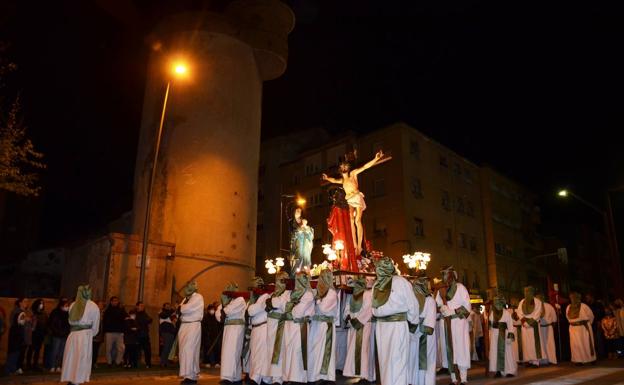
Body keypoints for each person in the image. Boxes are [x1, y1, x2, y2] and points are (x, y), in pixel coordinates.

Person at [322, 150, 385, 254]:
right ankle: (355, 245)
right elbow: (333, 180)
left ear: (348, 167)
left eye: (345, 166)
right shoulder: (342, 180)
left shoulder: (353, 174)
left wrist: (376, 158)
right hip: (350, 200)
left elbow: (365, 167)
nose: (343, 167)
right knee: (351, 220)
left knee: (357, 221)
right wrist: (327, 178)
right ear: (340, 170)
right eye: (342, 167)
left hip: (357, 197)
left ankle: (359, 245)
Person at [372, 257, 419, 385]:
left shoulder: (377, 284)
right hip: (398, 327)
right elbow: (413, 305)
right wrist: (413, 322)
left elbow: (374, 310)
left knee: (385, 361)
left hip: (382, 329)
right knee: (399, 360)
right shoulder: (402, 281)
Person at [435, 265, 471, 385]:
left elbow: (467, 308)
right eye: (444, 275)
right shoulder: (441, 290)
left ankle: (464, 379)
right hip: (446, 324)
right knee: (449, 351)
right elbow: (437, 305)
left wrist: (454, 311)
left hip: (459, 324)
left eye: (447, 274)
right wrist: (442, 308)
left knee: (460, 349)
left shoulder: (461, 288)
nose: (445, 277)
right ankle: (454, 379)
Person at [61, 285, 100, 385]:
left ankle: (71, 378)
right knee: (81, 359)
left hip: (72, 335)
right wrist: (92, 333)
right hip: (84, 336)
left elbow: (70, 321)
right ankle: (77, 381)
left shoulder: (73, 305)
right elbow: (96, 325)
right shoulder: (93, 306)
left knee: (71, 358)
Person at [282, 272, 315, 384]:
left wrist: (290, 306)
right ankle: (289, 377)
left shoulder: (308, 294)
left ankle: (298, 379)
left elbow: (297, 312)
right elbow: (283, 307)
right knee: (289, 351)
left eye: (300, 279)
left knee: (298, 352)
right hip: (289, 326)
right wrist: (290, 306)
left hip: (300, 327)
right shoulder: (292, 293)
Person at [308, 269, 338, 384]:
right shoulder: (320, 292)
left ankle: (325, 377)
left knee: (324, 351)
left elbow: (323, 309)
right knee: (315, 350)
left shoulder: (331, 293)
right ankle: (314, 375)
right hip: (316, 325)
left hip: (326, 326)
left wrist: (317, 300)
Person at [343, 276, 375, 383]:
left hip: (363, 326)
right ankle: (358, 375)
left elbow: (368, 310)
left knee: (363, 351)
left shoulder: (368, 294)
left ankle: (364, 376)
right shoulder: (352, 296)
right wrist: (347, 317)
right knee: (355, 351)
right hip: (353, 326)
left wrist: (357, 321)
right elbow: (347, 308)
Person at [215, 283, 246, 383]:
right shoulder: (229, 300)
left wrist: (224, 306)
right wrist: (223, 307)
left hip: (236, 328)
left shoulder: (240, 299)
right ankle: (236, 377)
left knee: (232, 352)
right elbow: (218, 314)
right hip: (228, 328)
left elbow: (227, 311)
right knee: (227, 352)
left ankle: (228, 378)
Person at [263, 271, 290, 384]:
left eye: (282, 280)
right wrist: (270, 303)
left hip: (280, 325)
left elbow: (280, 304)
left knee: (278, 352)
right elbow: (267, 304)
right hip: (270, 324)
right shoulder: (273, 294)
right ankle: (269, 377)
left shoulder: (287, 293)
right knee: (269, 351)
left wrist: (271, 303)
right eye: (278, 280)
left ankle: (278, 378)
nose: (279, 283)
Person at [410, 275, 436, 385]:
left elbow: (429, 326)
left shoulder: (430, 300)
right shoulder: (414, 301)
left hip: (426, 338)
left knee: (427, 364)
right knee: (414, 363)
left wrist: (417, 324)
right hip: (415, 337)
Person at [178, 281, 204, 384]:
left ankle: (190, 376)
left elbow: (186, 309)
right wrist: (180, 308)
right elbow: (179, 310)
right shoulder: (185, 299)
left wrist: (180, 308)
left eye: (189, 286)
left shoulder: (198, 297)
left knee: (190, 350)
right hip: (184, 325)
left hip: (193, 325)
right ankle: (189, 376)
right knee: (184, 350)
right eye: (186, 285)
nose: (187, 288)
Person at [246, 277, 271, 385]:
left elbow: (251, 311)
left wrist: (251, 301)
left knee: (260, 355)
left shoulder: (265, 296)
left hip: (262, 328)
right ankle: (257, 378)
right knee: (255, 355)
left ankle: (257, 379)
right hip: (255, 329)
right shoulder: (255, 298)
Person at [488, 296, 517, 378]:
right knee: (495, 353)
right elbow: (490, 326)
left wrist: (510, 336)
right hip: (495, 335)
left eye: (498, 303)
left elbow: (510, 325)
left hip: (504, 335)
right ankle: (498, 371)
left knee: (507, 353)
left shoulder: (506, 313)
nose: (496, 305)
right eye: (495, 303)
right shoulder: (492, 313)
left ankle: (510, 371)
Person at [516, 286, 545, 367]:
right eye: (525, 292)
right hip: (524, 326)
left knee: (534, 343)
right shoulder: (522, 301)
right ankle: (529, 360)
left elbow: (538, 313)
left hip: (533, 325)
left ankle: (536, 362)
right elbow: (519, 312)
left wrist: (529, 323)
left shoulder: (537, 301)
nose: (527, 293)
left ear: (532, 292)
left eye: (529, 292)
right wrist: (523, 321)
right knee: (526, 344)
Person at [566, 292, 596, 365]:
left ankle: (590, 359)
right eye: (572, 298)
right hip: (573, 328)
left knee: (586, 343)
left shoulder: (584, 306)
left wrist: (587, 324)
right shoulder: (569, 307)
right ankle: (578, 360)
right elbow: (568, 317)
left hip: (584, 328)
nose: (573, 299)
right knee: (576, 345)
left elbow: (591, 316)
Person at [5, 298, 28, 375]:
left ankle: (13, 369)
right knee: (13, 353)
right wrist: (24, 319)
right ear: (20, 303)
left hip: (20, 335)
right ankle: (8, 370)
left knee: (17, 353)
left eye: (27, 301)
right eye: (24, 301)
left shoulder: (22, 312)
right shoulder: (17, 312)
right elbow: (15, 323)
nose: (26, 303)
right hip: (15, 335)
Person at [103, 296, 127, 367]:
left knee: (121, 348)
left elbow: (126, 317)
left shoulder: (121, 310)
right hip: (110, 332)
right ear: (111, 302)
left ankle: (118, 362)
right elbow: (105, 322)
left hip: (119, 332)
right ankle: (109, 362)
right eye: (114, 301)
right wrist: (105, 331)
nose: (115, 302)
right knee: (108, 348)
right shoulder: (107, 311)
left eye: (116, 301)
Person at [48, 298, 70, 373]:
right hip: (56, 335)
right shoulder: (55, 312)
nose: (67, 307)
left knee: (61, 352)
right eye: (66, 305)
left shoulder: (68, 314)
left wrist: (66, 332)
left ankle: (58, 366)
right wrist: (57, 332)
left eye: (68, 305)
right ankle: (52, 366)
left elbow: (69, 324)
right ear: (61, 305)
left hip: (64, 335)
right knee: (55, 351)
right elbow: (52, 324)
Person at [25, 298, 47, 371]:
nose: (41, 305)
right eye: (40, 303)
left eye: (42, 303)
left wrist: (45, 332)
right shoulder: (32, 313)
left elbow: (46, 323)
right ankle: (28, 364)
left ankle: (35, 364)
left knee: (37, 350)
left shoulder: (44, 313)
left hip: (40, 335)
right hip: (33, 334)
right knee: (31, 350)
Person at [536, 294, 558, 365]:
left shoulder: (549, 306)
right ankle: (542, 360)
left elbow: (554, 318)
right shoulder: (536, 307)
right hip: (539, 328)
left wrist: (551, 327)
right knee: (541, 344)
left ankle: (551, 359)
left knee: (549, 343)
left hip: (548, 328)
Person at [200, 304, 220, 368]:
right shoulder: (205, 317)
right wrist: (206, 334)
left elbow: (218, 325)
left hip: (215, 336)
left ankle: (217, 362)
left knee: (216, 349)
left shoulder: (216, 317)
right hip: (207, 336)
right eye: (211, 309)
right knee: (207, 349)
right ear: (208, 310)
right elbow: (203, 327)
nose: (212, 311)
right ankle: (207, 362)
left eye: (213, 309)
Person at [135, 301, 152, 368]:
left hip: (145, 334)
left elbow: (150, 319)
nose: (142, 307)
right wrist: (145, 321)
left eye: (143, 306)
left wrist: (145, 321)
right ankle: (136, 363)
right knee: (137, 350)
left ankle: (148, 363)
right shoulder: (135, 313)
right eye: (141, 305)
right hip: (137, 335)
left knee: (147, 350)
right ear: (137, 306)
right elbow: (137, 322)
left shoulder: (144, 313)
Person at [159, 303, 176, 367]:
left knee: (169, 347)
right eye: (167, 306)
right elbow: (164, 315)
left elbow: (174, 321)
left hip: (171, 332)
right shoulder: (162, 313)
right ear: (164, 307)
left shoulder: (170, 313)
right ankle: (162, 362)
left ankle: (166, 362)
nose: (168, 307)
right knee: (166, 347)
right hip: (165, 332)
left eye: (169, 306)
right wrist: (172, 310)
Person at [91, 301, 105, 368]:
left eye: (102, 305)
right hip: (93, 335)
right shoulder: (93, 312)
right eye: (100, 305)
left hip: (100, 335)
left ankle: (94, 362)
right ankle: (90, 363)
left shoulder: (103, 313)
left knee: (96, 351)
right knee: (91, 350)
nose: (101, 306)